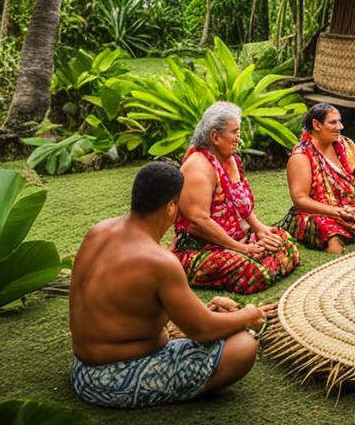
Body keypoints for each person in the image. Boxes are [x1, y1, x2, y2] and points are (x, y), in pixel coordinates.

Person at [69, 162, 275, 409]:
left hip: (81, 370)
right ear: (170, 207)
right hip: (110, 381)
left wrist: (210, 313)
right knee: (243, 347)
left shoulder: (98, 231)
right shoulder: (159, 261)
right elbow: (201, 330)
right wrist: (247, 316)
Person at [172, 101, 299, 293]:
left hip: (237, 238)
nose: (239, 140)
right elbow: (199, 222)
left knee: (283, 240)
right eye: (235, 133)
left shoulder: (231, 160)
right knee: (254, 273)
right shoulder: (198, 168)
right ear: (215, 136)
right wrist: (243, 249)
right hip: (201, 248)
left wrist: (261, 230)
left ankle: (257, 256)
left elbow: (242, 206)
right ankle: (254, 260)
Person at [279, 103, 355, 253]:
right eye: (333, 122)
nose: (340, 127)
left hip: (350, 208)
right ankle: (342, 235)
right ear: (316, 124)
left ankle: (353, 226)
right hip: (320, 213)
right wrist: (336, 212)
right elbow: (300, 199)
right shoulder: (301, 156)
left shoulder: (346, 145)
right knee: (332, 238)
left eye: (339, 121)